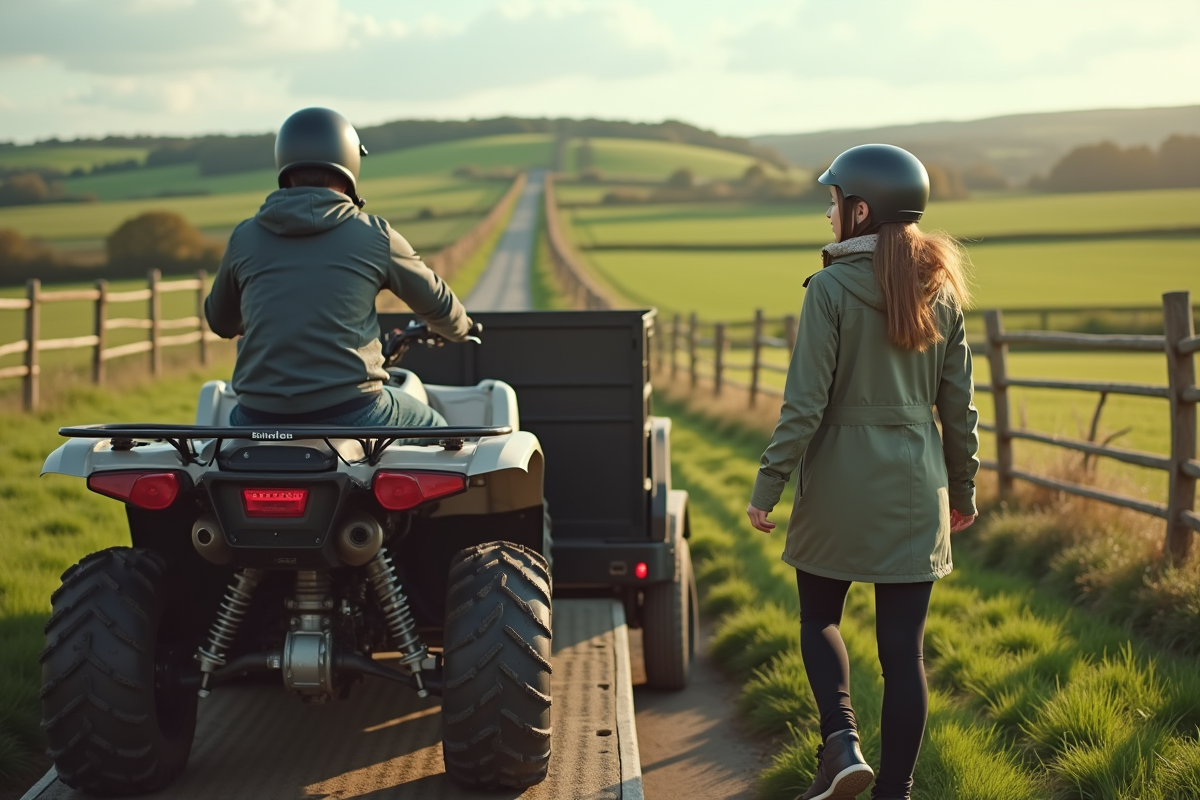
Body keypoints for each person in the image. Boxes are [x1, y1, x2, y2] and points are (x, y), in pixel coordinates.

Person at [745, 144, 980, 800]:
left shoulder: (827, 291)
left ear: (861, 209)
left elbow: (804, 405)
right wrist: (961, 491)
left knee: (819, 617)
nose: (827, 214)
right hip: (916, 493)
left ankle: (841, 744)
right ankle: (894, 793)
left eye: (833, 201)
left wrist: (767, 488)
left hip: (838, 490)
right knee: (903, 652)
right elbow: (959, 411)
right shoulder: (943, 294)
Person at [205, 107, 473, 427]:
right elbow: (440, 306)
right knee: (439, 430)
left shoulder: (244, 238)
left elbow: (220, 322)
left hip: (256, 417)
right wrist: (461, 329)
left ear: (285, 169)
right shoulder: (375, 235)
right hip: (353, 412)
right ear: (350, 167)